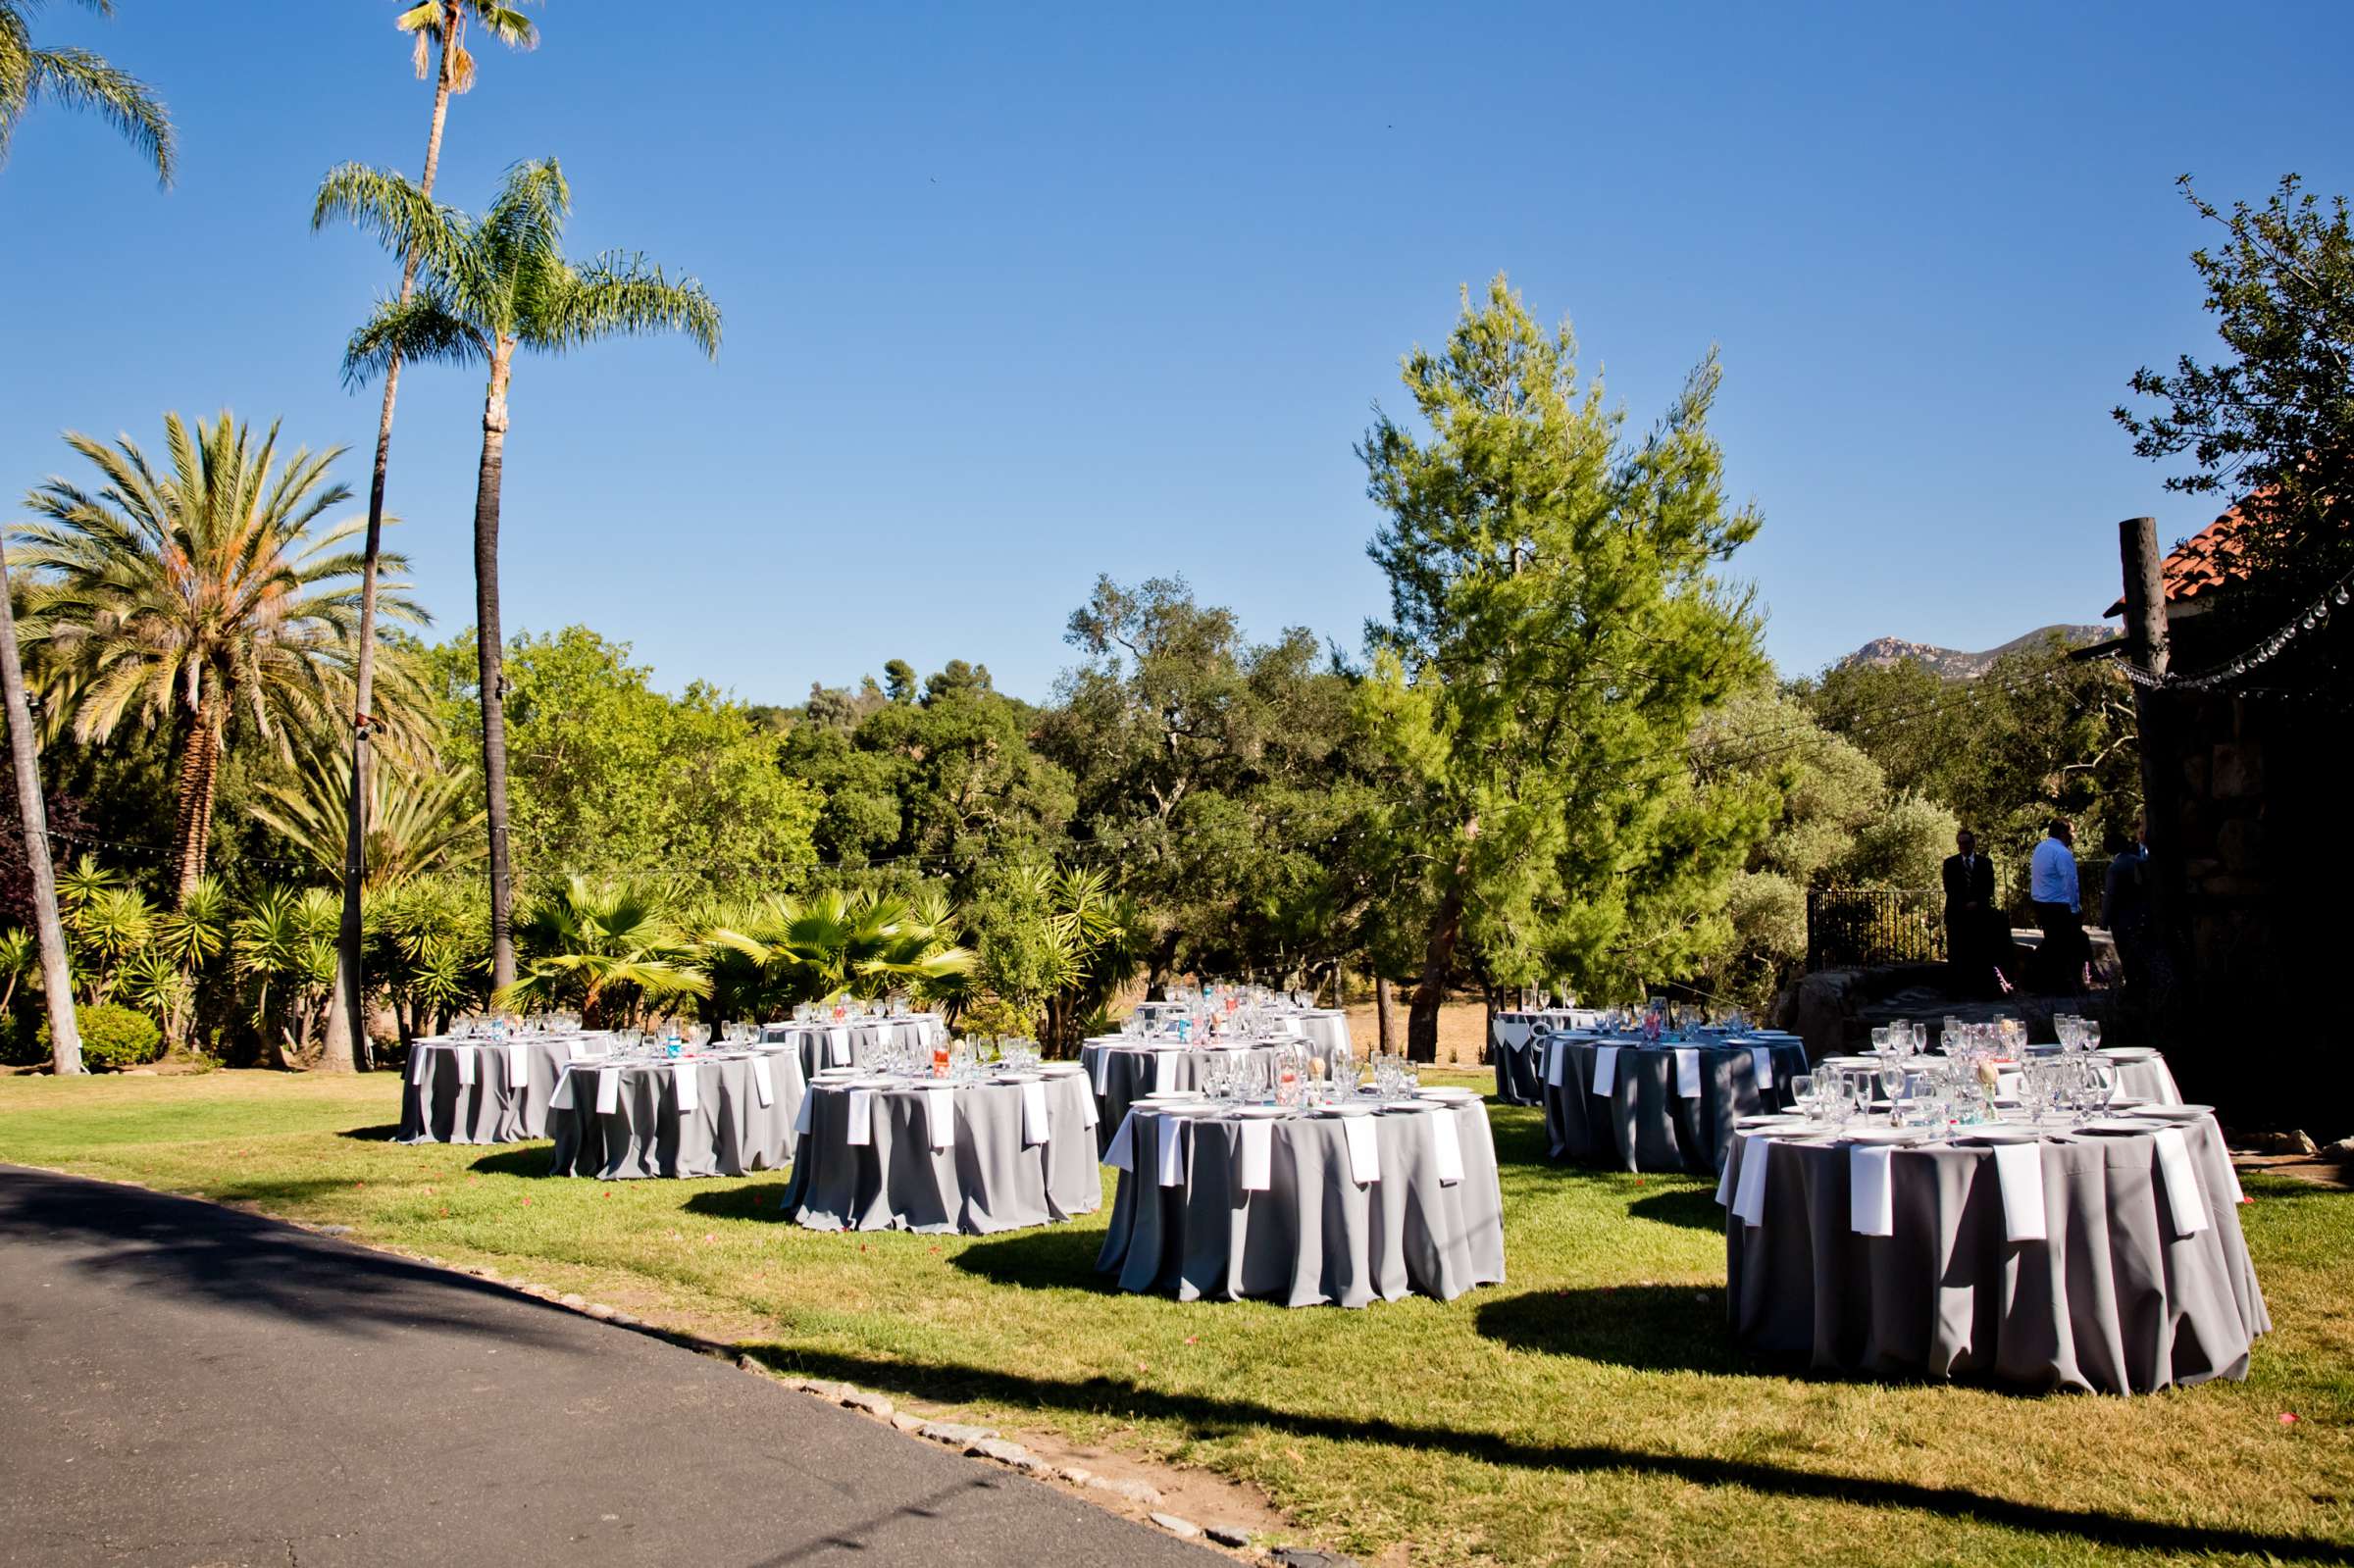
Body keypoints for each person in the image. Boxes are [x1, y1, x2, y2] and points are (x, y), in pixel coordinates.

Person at [2029, 816, 2089, 992]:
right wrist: (2074, 907)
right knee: (2068, 947)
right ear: (2063, 832)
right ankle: (2069, 984)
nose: (2074, 836)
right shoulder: (2062, 853)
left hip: (2042, 903)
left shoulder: (2040, 848)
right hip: (2059, 905)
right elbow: (2070, 881)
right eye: (2072, 832)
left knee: (2054, 945)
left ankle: (2050, 984)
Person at [1940, 829, 1999, 996]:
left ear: (1973, 843)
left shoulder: (1985, 863)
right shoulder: (1950, 863)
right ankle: (1958, 991)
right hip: (1957, 914)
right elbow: (1949, 888)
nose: (1963, 846)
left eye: (1966, 842)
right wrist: (1964, 904)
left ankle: (1982, 990)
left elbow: (1989, 887)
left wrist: (1977, 902)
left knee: (1980, 953)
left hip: (1980, 914)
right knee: (1957, 954)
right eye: (1960, 843)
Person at [2105, 812, 2154, 1007]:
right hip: (2141, 913)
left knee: (2128, 955)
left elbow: (2110, 895)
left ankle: (2134, 990)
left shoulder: (2115, 867)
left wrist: (2104, 920)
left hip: (2122, 918)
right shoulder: (2138, 861)